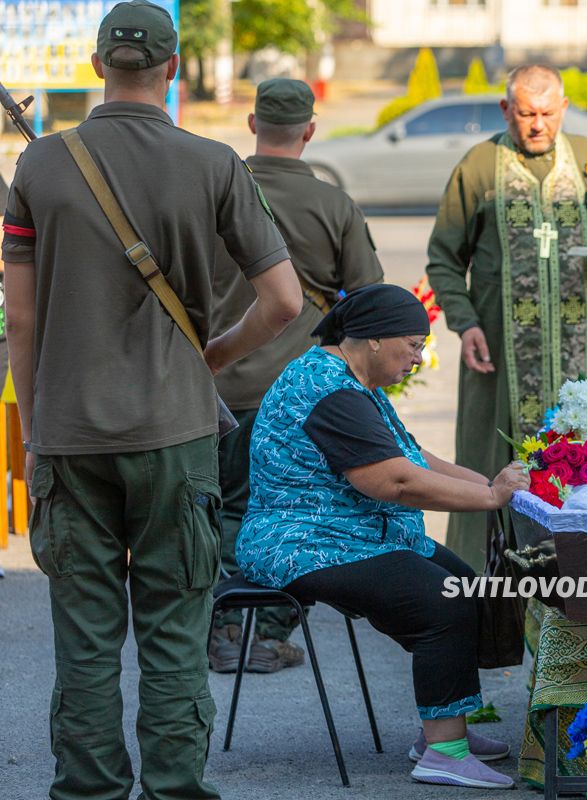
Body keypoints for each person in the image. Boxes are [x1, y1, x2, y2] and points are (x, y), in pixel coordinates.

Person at [1, 3, 302, 798]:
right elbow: (282, 301)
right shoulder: (213, 163)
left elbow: (21, 323)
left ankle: (90, 789)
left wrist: (35, 437)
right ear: (172, 70)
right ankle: (175, 787)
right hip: (175, 434)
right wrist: (211, 356)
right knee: (175, 631)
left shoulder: (40, 166)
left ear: (99, 65)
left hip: (68, 437)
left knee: (86, 638)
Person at [236, 285, 528, 790]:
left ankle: (441, 730)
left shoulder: (350, 380)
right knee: (444, 602)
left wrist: (490, 483)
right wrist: (489, 499)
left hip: (350, 533)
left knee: (465, 584)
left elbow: (416, 459)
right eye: (413, 345)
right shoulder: (329, 388)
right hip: (301, 541)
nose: (418, 359)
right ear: (372, 340)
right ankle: (443, 752)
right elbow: (390, 481)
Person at [426, 63, 587, 571]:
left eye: (548, 113)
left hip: (584, 352)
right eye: (526, 113)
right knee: (492, 465)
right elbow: (443, 256)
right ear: (507, 109)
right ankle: (486, 592)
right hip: (500, 355)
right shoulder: (480, 167)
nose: (538, 124)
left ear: (564, 108)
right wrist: (465, 322)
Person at [207, 78, 384, 676]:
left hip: (219, 382)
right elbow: (368, 301)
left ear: (253, 124)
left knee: (226, 509)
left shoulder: (214, 193)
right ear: (310, 130)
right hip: (305, 396)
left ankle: (224, 629)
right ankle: (271, 633)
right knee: (302, 511)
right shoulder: (334, 205)